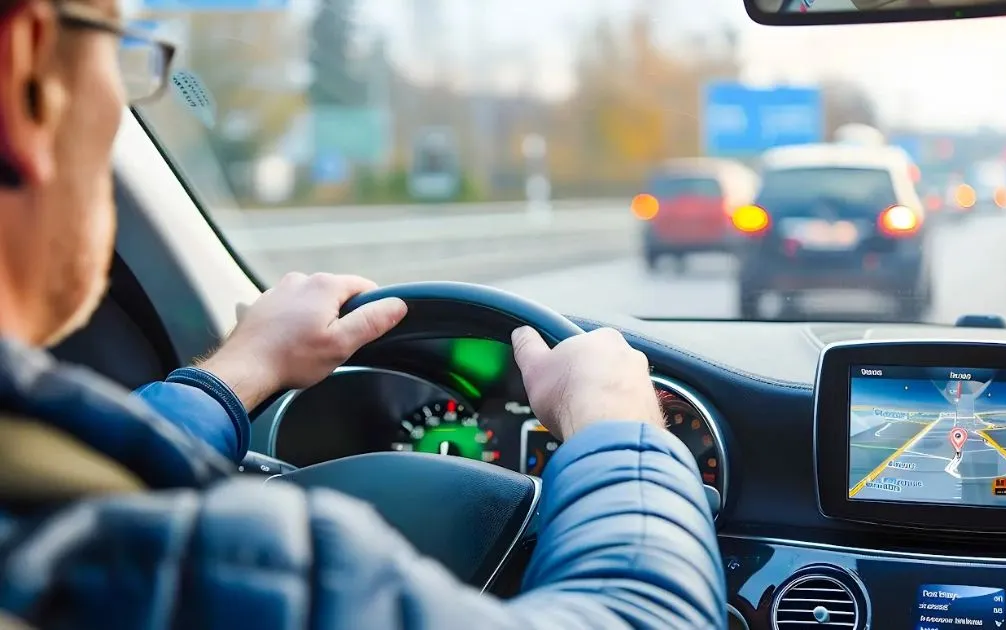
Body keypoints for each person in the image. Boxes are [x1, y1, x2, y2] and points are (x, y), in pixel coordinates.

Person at [0, 0, 725, 628]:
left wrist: (234, 374)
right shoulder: (216, 577)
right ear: (26, 67)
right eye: (126, 62)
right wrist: (617, 427)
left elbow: (66, 476)